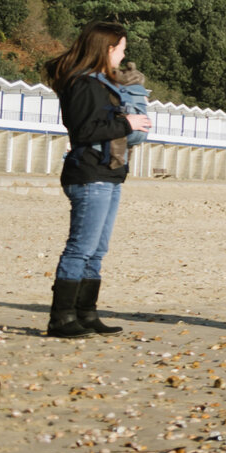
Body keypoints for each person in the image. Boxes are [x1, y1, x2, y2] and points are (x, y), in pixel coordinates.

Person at [45, 21, 152, 337]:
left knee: (97, 249)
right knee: (81, 247)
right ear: (107, 48)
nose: (122, 55)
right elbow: (83, 132)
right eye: (121, 49)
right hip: (89, 174)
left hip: (108, 174)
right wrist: (127, 123)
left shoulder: (102, 84)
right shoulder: (83, 85)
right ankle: (60, 319)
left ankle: (86, 313)